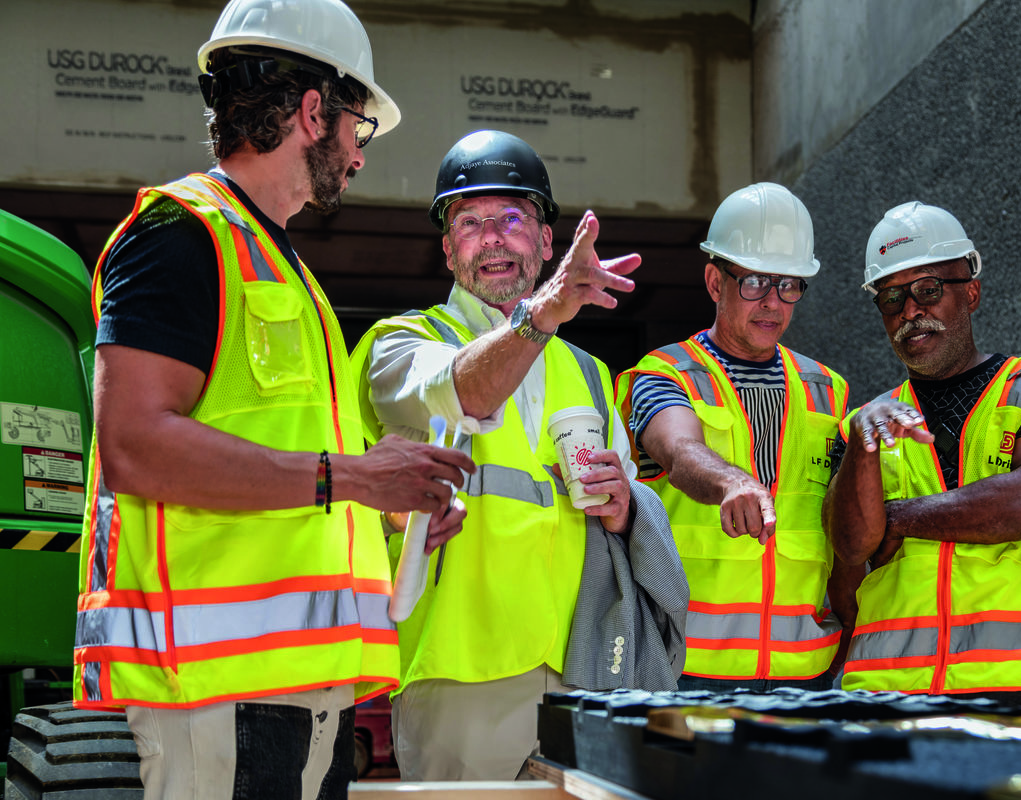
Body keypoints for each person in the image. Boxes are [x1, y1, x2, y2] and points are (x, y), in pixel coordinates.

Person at [72, 1, 475, 798]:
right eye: (359, 130)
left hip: (299, 688)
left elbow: (282, 464)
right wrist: (356, 478)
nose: (358, 157)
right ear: (314, 111)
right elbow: (135, 447)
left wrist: (391, 513)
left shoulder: (274, 261)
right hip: (217, 691)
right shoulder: (182, 237)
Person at [351, 129, 686, 781]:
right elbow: (458, 389)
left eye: (512, 218)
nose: (494, 237)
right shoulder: (402, 345)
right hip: (455, 671)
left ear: (545, 242)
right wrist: (540, 316)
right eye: (471, 222)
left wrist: (625, 509)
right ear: (447, 248)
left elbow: (619, 519)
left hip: (581, 669)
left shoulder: (589, 373)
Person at [823, 201, 1021, 716]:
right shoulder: (865, 424)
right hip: (891, 693)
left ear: (970, 290)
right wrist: (862, 442)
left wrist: (898, 518)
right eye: (890, 297)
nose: (909, 310)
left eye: (928, 289)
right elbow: (850, 545)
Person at [614, 182, 854, 692]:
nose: (772, 302)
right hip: (687, 669)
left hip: (806, 673)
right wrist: (732, 483)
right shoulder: (665, 373)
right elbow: (678, 451)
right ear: (713, 281)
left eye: (789, 284)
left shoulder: (828, 390)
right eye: (754, 282)